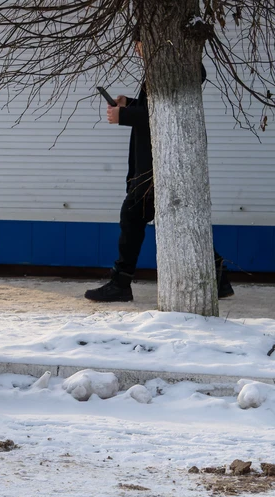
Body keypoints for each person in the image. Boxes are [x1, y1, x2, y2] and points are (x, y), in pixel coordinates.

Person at [85, 35, 233, 302]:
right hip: (158, 165)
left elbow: (166, 113)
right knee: (178, 219)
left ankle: (121, 283)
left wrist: (124, 116)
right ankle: (218, 274)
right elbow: (154, 108)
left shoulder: (176, 68)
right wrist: (129, 104)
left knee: (132, 216)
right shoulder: (163, 68)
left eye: (139, 41)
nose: (136, 48)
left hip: (157, 167)